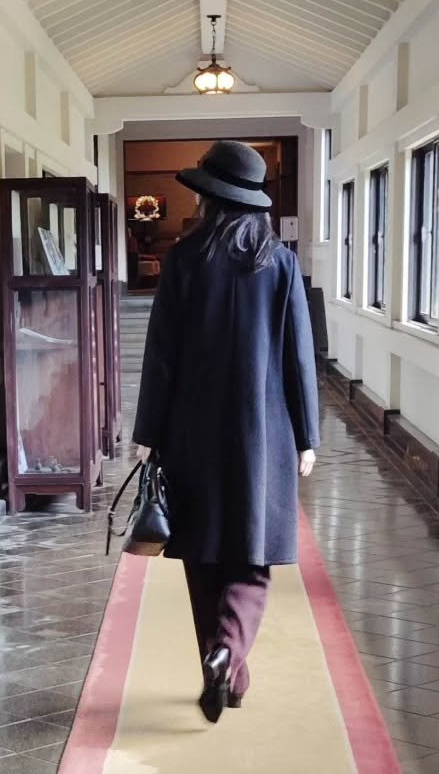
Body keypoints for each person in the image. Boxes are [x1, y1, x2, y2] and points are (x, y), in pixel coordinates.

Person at [132, 140, 320, 724]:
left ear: (209, 198)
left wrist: (148, 430)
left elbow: (161, 354)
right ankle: (227, 656)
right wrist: (307, 435)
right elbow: (299, 358)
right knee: (251, 558)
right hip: (264, 434)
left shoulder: (184, 259)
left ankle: (222, 670)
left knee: (204, 557)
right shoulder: (279, 263)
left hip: (190, 432)